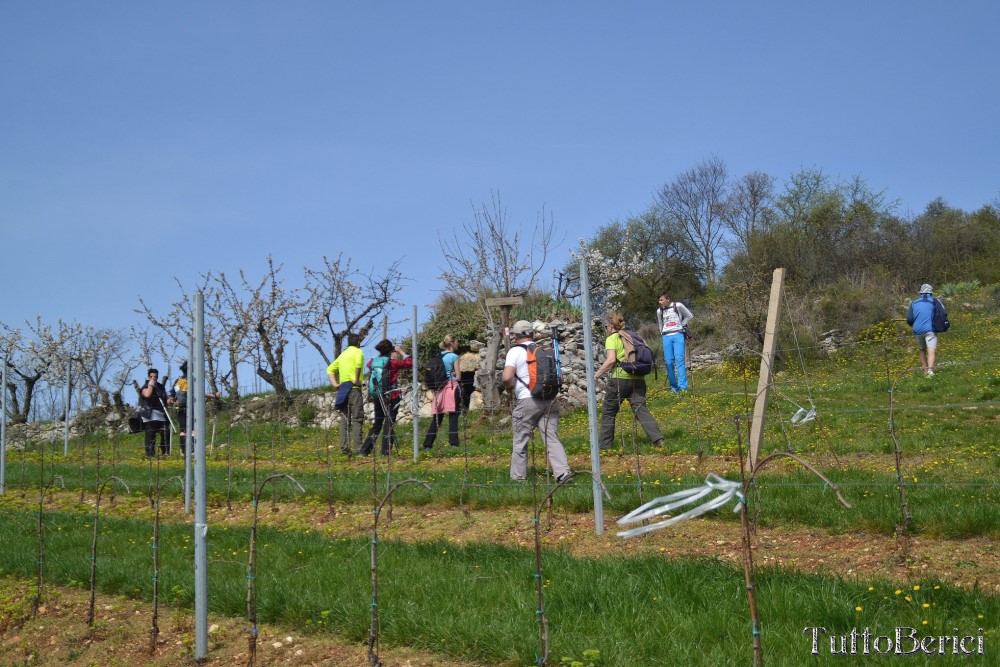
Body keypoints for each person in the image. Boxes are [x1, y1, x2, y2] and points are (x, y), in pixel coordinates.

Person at [503, 321, 572, 483]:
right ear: (532, 334)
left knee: (521, 439)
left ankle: (518, 478)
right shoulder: (545, 350)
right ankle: (563, 474)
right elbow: (560, 377)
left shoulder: (515, 352)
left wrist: (510, 388)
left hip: (528, 401)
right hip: (550, 399)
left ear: (515, 335)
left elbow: (507, 377)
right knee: (552, 438)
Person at [594, 312, 665, 450]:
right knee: (640, 409)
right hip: (638, 378)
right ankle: (659, 440)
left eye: (605, 326)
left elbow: (611, 360)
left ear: (609, 326)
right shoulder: (632, 336)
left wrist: (596, 375)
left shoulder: (612, 338)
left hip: (619, 379)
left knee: (609, 412)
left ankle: (605, 447)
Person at [360, 339, 413, 456]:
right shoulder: (392, 363)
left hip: (378, 396)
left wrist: (381, 354)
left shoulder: (373, 362)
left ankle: (364, 451)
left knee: (377, 423)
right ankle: (385, 451)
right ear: (391, 350)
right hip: (392, 395)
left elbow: (369, 365)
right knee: (389, 422)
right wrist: (402, 353)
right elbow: (410, 363)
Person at [168, 360, 221, 455]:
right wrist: (214, 396)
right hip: (191, 408)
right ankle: (192, 450)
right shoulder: (193, 380)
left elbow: (173, 394)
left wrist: (171, 400)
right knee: (193, 430)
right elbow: (199, 393)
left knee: (183, 431)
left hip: (179, 409)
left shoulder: (178, 381)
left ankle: (183, 451)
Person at [327, 333, 365, 454]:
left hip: (343, 389)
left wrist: (335, 384)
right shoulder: (358, 352)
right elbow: (358, 364)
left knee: (344, 418)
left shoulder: (342, 355)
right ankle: (359, 448)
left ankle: (344, 448)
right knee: (357, 418)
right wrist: (357, 379)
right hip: (354, 388)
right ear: (358, 342)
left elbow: (330, 369)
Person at [422, 334, 461, 449]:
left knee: (437, 417)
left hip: (439, 388)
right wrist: (454, 374)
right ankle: (454, 443)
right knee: (453, 415)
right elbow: (458, 376)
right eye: (457, 342)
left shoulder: (439, 356)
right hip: (451, 386)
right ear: (452, 343)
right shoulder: (454, 356)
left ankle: (427, 445)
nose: (458, 344)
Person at [656, 292, 694, 393]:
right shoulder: (659, 311)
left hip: (678, 334)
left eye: (661, 300)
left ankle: (683, 387)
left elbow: (689, 315)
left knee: (679, 360)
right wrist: (662, 333)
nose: (660, 302)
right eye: (659, 300)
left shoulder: (678, 306)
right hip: (666, 336)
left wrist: (682, 324)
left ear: (668, 299)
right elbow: (660, 324)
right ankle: (673, 387)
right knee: (668, 362)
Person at [906, 283, 944, 377]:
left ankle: (925, 370)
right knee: (931, 350)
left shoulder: (914, 303)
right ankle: (930, 371)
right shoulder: (934, 301)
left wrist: (914, 325)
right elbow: (943, 314)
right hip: (930, 330)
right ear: (931, 293)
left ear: (921, 293)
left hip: (917, 330)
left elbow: (909, 319)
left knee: (922, 350)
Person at [136, 368, 170, 457]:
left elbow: (165, 397)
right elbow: (147, 394)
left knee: (165, 431)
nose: (154, 378)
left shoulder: (160, 387)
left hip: (160, 414)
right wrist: (150, 385)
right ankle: (150, 454)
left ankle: (165, 452)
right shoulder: (145, 386)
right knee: (151, 433)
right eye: (152, 376)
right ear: (149, 376)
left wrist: (170, 399)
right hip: (149, 414)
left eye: (155, 376)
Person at [458, 340, 483, 414]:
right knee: (465, 391)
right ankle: (464, 408)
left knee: (466, 390)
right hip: (466, 384)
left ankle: (465, 409)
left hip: (467, 383)